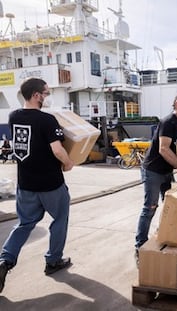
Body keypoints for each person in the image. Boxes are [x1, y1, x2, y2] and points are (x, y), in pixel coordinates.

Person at [0, 78, 74, 293]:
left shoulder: (13, 116)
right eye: (46, 93)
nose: (47, 97)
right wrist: (68, 163)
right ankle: (53, 261)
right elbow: (57, 150)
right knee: (60, 219)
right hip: (50, 184)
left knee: (24, 224)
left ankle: (5, 261)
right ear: (36, 95)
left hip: (25, 184)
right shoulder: (47, 120)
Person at [134, 92, 177, 260]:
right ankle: (139, 245)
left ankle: (166, 234)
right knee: (150, 207)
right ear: (176, 104)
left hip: (167, 172)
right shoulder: (167, 122)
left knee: (169, 205)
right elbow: (163, 149)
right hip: (153, 170)